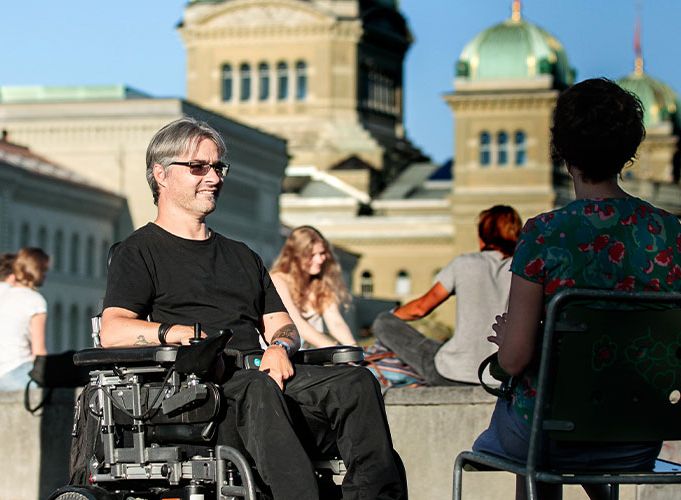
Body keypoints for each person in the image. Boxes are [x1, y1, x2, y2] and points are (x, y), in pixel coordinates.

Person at [100, 117, 406, 500]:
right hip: (200, 395)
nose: (213, 177)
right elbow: (113, 329)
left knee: (355, 382)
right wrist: (176, 333)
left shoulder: (242, 256)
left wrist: (280, 347)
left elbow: (283, 325)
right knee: (258, 388)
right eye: (198, 166)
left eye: (217, 167)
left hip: (264, 379)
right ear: (160, 174)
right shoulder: (138, 252)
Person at [472, 78, 681, 500]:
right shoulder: (671, 232)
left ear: (562, 151)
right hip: (636, 439)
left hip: (551, 437)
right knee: (565, 432)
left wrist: (513, 337)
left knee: (535, 435)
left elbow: (513, 362)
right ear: (628, 152)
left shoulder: (546, 233)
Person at [371, 205, 522, 386]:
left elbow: (419, 309)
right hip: (505, 374)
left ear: (482, 237)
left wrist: (391, 317)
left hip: (453, 374)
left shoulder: (464, 263)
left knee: (383, 321)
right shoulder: (524, 269)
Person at [270, 226, 356, 348]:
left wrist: (354, 349)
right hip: (279, 354)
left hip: (308, 357)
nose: (320, 259)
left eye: (322, 253)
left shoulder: (320, 283)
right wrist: (337, 350)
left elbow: (336, 323)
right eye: (312, 255)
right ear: (295, 256)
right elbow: (297, 324)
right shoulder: (277, 280)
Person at [0, 247, 49, 391]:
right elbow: (39, 351)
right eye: (45, 271)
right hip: (17, 373)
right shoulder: (35, 300)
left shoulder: (4, 294)